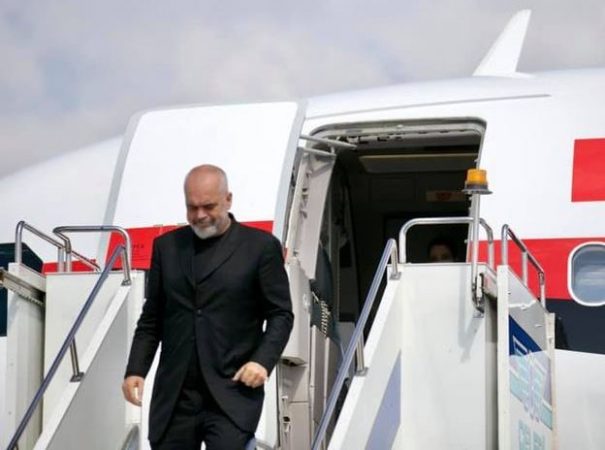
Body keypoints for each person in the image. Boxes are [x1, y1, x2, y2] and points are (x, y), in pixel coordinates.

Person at [122, 164, 294, 450]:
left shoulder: (261, 247)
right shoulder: (166, 247)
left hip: (232, 392)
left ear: (228, 199)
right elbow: (152, 318)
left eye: (208, 206)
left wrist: (262, 361)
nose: (200, 215)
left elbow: (281, 315)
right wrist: (135, 369)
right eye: (192, 207)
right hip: (175, 397)